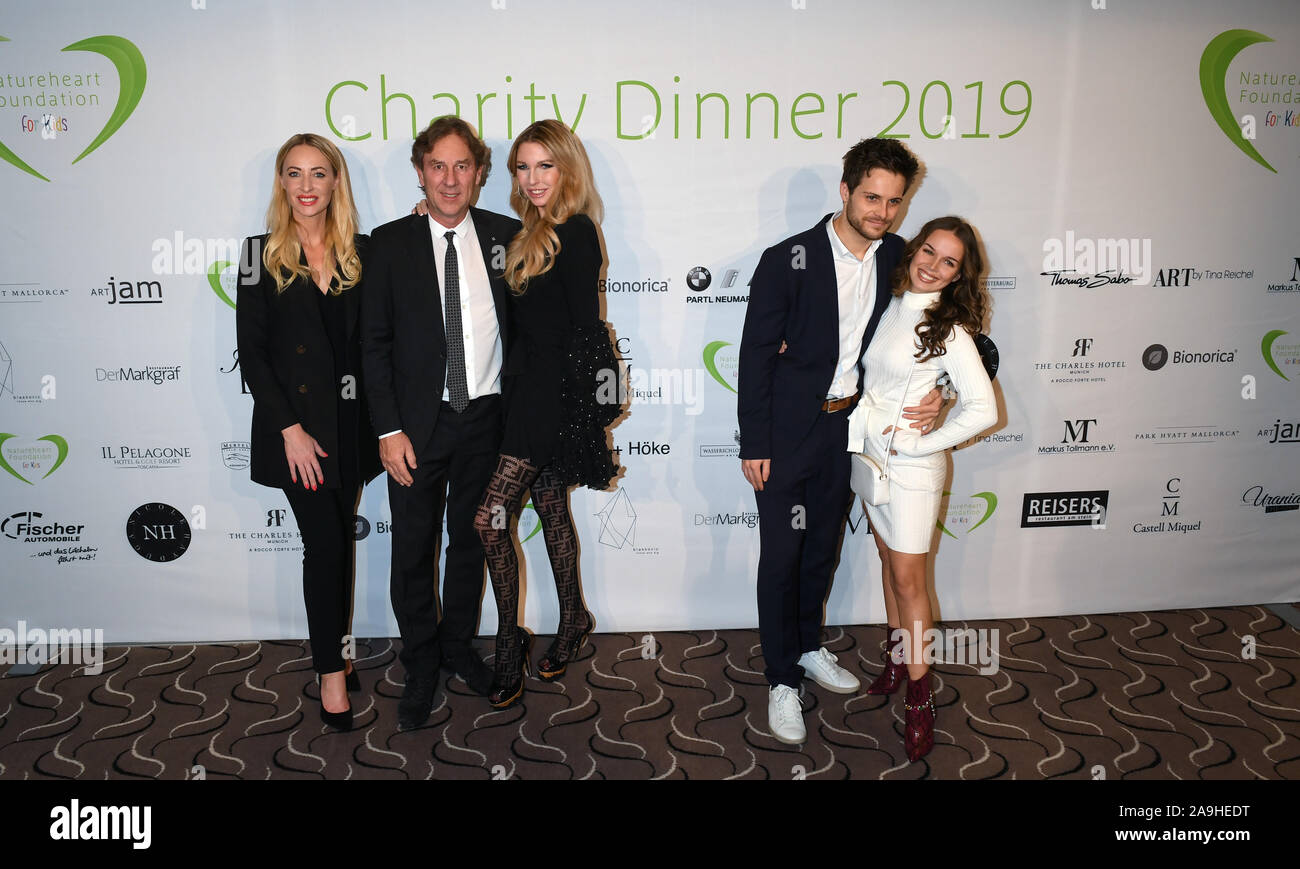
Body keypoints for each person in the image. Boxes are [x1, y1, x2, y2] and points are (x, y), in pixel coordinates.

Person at [737, 138, 942, 746]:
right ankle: (780, 679)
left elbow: (955, 324)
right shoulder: (788, 259)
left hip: (849, 429)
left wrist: (949, 390)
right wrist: (755, 441)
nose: (881, 211)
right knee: (781, 557)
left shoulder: (900, 259)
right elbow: (753, 357)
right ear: (846, 190)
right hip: (784, 433)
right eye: (872, 197)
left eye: (894, 201)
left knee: (821, 548)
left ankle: (805, 647)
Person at [361, 117, 520, 730]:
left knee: (470, 542)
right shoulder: (390, 243)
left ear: (479, 174)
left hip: (487, 420)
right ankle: (420, 660)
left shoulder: (510, 237)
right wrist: (387, 429)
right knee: (411, 550)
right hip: (415, 430)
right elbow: (373, 345)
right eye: (437, 166)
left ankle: (458, 647)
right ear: (420, 171)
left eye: (462, 167)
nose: (450, 180)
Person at [471, 119, 618, 709]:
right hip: (518, 394)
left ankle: (510, 639)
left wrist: (584, 415)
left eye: (544, 166)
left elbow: (585, 331)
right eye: (522, 167)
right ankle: (575, 617)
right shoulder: (523, 233)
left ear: (567, 170)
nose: (532, 178)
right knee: (552, 510)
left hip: (551, 403)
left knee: (489, 520)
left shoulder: (578, 233)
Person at [236, 132, 381, 731]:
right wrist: (290, 430)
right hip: (298, 434)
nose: (305, 187)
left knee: (333, 544)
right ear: (280, 183)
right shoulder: (256, 252)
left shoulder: (363, 252)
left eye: (318, 174)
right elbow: (253, 354)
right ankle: (330, 673)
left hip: (353, 427)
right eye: (293, 174)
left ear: (335, 182)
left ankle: (334, 657)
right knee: (324, 545)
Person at [847, 215, 997, 762]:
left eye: (948, 262)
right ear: (913, 250)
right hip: (871, 456)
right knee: (888, 560)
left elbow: (984, 409)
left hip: (910, 467)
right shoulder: (890, 304)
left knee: (911, 580)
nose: (932, 266)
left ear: (959, 275)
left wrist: (919, 445)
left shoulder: (948, 330)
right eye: (928, 252)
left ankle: (918, 696)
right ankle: (894, 657)